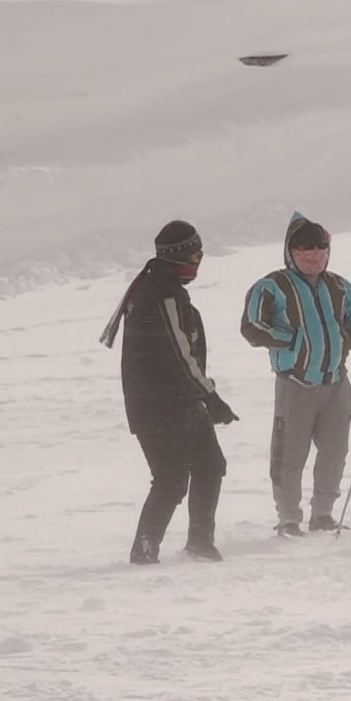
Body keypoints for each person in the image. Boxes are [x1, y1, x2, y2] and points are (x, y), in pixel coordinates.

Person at [97, 220, 237, 564]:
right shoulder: (163, 293)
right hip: (160, 406)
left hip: (179, 402)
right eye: (195, 253)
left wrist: (202, 397)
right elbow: (179, 354)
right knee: (172, 479)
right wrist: (211, 397)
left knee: (209, 466)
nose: (199, 260)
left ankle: (200, 542)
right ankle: (144, 553)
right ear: (179, 257)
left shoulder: (158, 285)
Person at [240, 213, 351, 536]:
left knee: (334, 453)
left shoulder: (339, 286)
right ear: (290, 252)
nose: (313, 256)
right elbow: (253, 326)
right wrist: (294, 342)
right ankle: (288, 518)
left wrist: (348, 338)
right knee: (289, 454)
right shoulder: (271, 286)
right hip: (294, 384)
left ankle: (323, 514)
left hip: (336, 384)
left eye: (319, 248)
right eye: (304, 249)